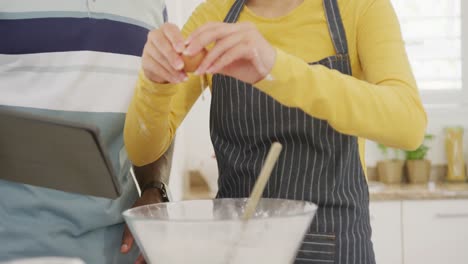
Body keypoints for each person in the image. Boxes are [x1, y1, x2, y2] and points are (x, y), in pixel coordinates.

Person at [124, 0, 427, 263]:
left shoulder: (360, 8)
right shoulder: (214, 15)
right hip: (236, 250)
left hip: (339, 248)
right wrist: (155, 83)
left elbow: (408, 123)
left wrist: (276, 69)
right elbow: (143, 150)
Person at [0, 1, 172, 263]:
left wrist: (154, 187)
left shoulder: (153, 6)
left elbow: (157, 111)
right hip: (16, 245)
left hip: (122, 248)